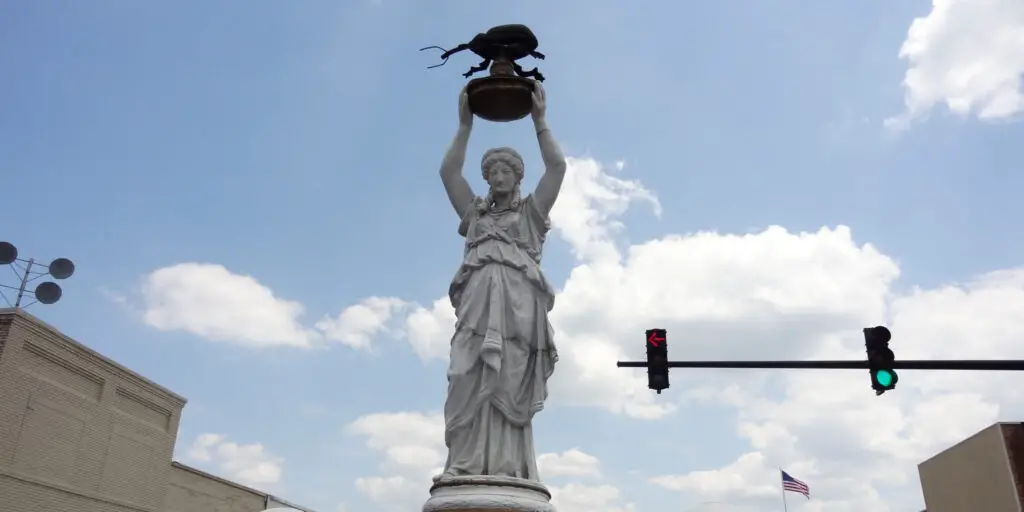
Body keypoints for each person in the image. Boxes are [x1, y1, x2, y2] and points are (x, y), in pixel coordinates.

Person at [436, 82, 567, 481]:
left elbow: (558, 168)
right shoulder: (475, 215)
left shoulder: (531, 214)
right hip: (476, 304)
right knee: (464, 374)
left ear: (517, 176)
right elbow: (448, 172)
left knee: (507, 381)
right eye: (491, 171)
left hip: (517, 309)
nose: (498, 176)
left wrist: (540, 122)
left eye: (506, 170)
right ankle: (464, 464)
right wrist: (464, 126)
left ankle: (508, 468)